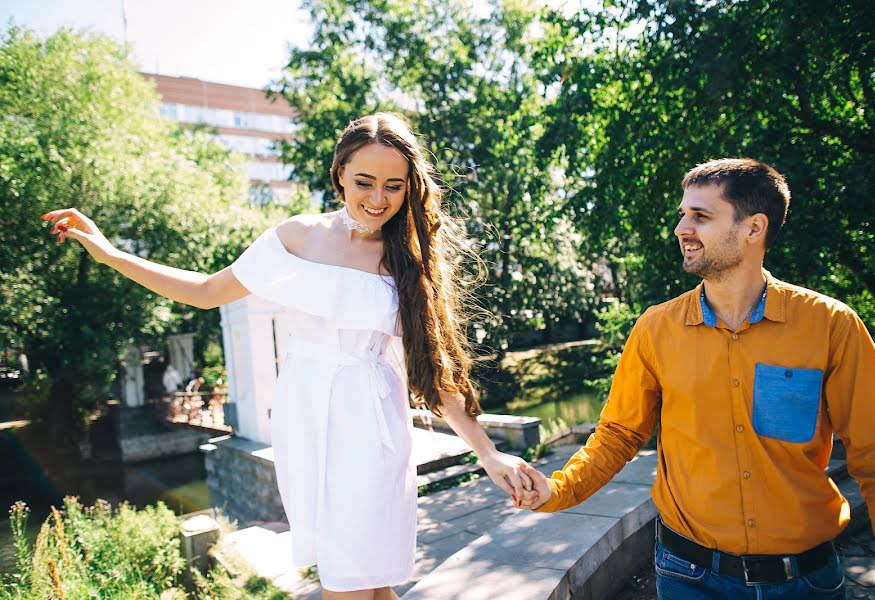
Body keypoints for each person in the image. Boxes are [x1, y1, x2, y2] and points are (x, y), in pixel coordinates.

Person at [41, 112, 533, 600]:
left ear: (409, 189)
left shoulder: (406, 258)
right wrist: (110, 253)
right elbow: (207, 291)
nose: (378, 199)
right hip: (304, 420)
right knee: (369, 583)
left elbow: (434, 367)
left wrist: (487, 452)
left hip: (371, 425)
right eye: (365, 182)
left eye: (394, 186)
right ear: (340, 173)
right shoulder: (295, 238)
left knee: (350, 579)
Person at [518, 158, 875, 599]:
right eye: (683, 214)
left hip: (806, 582)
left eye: (700, 216)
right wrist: (558, 489)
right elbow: (619, 434)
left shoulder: (830, 325)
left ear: (754, 228)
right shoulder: (655, 329)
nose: (682, 228)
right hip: (690, 578)